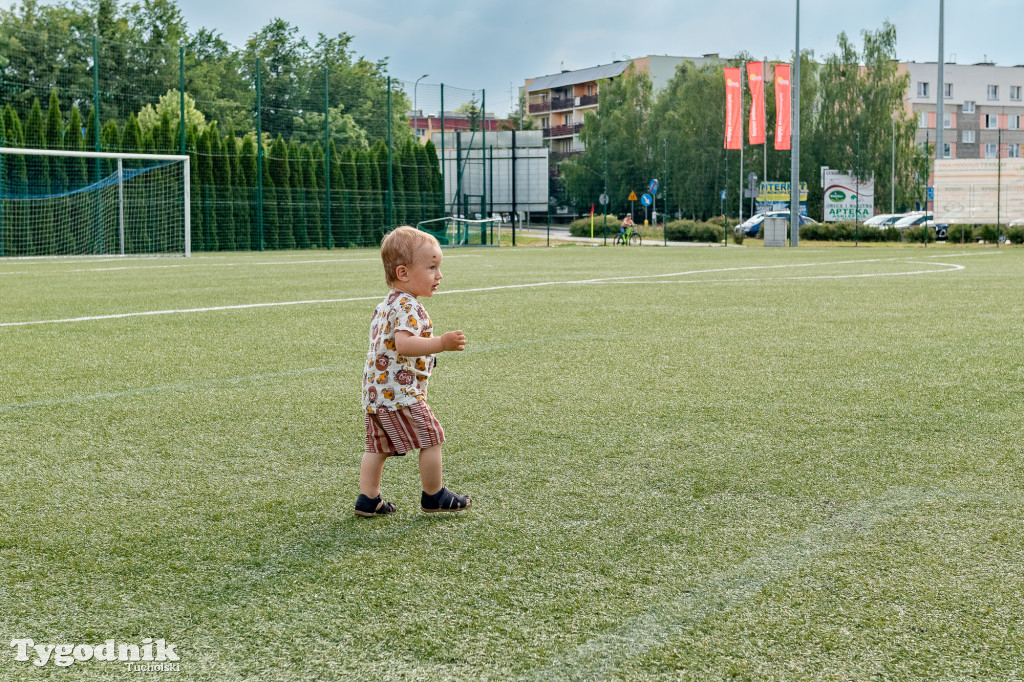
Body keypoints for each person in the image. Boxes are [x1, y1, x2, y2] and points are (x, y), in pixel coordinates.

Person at [356, 226, 472, 517]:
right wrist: (441, 343)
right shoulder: (408, 306)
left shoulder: (385, 305)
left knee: (378, 446)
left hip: (376, 393)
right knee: (432, 438)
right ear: (403, 273)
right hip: (400, 393)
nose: (439, 275)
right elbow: (404, 344)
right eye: (431, 267)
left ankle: (368, 499)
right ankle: (433, 495)